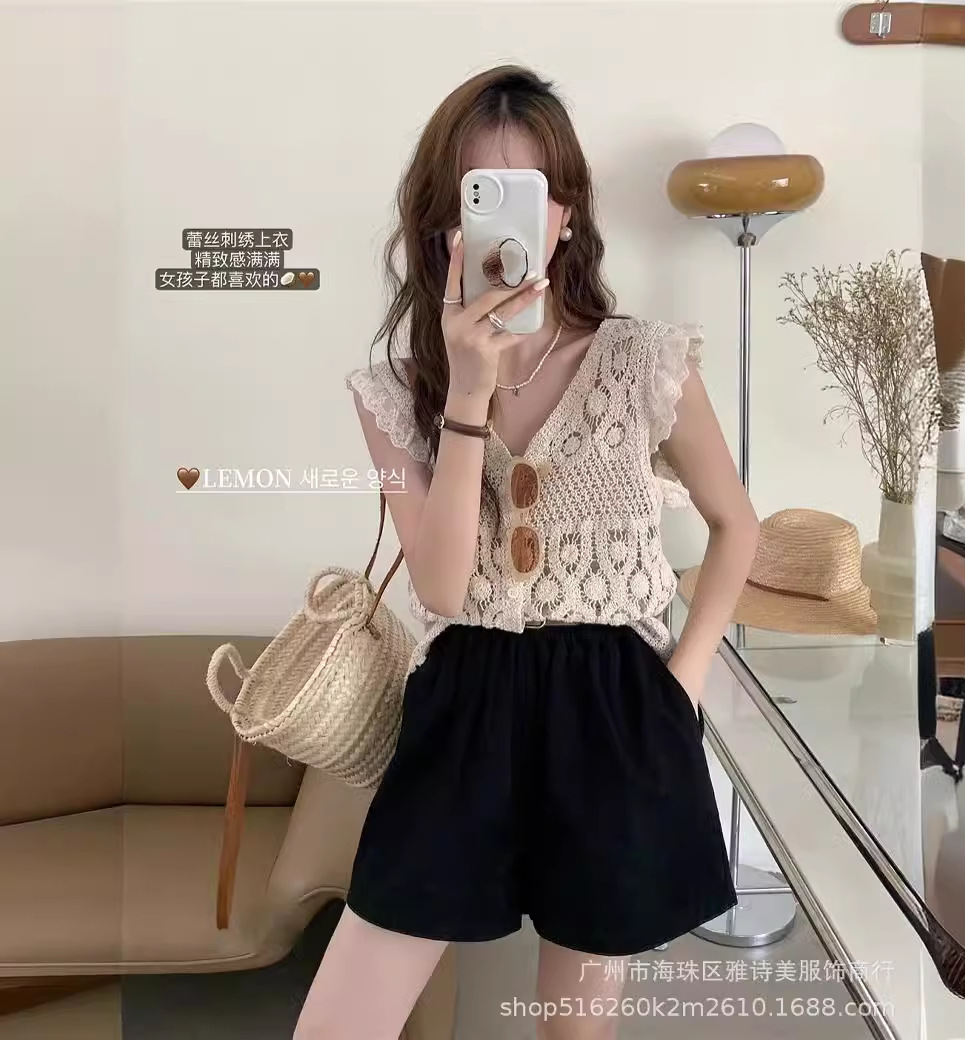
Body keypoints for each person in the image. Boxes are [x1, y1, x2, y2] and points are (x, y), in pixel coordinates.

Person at [294, 65, 759, 1040]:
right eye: (478, 194)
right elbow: (440, 586)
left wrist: (681, 680)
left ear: (566, 215)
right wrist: (468, 393)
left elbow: (736, 526)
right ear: (441, 221)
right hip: (464, 708)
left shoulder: (643, 361)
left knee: (570, 1028)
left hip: (615, 714)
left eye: (527, 192)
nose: (504, 225)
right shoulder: (397, 390)